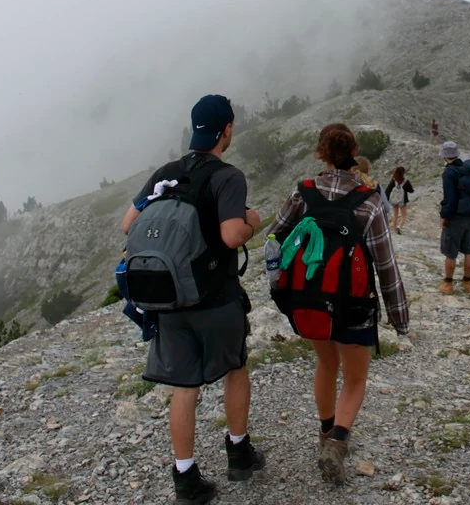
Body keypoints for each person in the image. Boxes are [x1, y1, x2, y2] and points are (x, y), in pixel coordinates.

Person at [119, 94, 265, 505]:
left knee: (184, 387)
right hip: (216, 299)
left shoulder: (166, 171)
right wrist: (253, 221)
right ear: (227, 131)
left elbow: (128, 224)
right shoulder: (228, 176)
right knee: (235, 368)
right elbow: (231, 235)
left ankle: (186, 479)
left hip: (169, 301)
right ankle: (239, 454)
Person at [267, 123, 410, 485]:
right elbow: (385, 264)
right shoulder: (370, 201)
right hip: (355, 306)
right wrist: (399, 317)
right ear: (354, 152)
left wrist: (280, 286)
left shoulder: (303, 193)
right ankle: (338, 442)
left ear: (321, 153)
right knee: (356, 378)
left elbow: (275, 235)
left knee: (325, 363)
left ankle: (325, 430)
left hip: (311, 298)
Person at [437, 141, 470, 295]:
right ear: (457, 153)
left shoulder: (449, 173)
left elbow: (450, 198)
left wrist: (444, 216)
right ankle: (467, 283)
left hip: (456, 217)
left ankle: (448, 284)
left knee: (451, 252)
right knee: (469, 249)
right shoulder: (467, 169)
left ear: (445, 156)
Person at [384, 166, 414, 235]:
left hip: (394, 201)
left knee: (395, 214)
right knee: (404, 215)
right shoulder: (406, 181)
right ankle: (399, 227)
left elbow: (387, 190)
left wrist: (388, 199)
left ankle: (394, 228)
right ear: (403, 173)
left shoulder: (393, 180)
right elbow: (411, 190)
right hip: (403, 201)